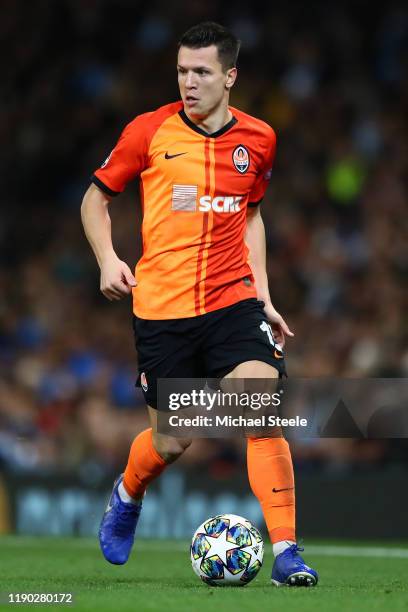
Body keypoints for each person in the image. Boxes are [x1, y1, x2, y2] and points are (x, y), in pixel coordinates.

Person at [81, 21, 318, 587]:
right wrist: (107, 259)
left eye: (202, 72)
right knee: (173, 439)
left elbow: (251, 216)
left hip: (231, 300)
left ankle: (286, 553)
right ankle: (128, 491)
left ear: (230, 76)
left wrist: (261, 293)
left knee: (261, 405)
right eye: (183, 71)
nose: (189, 82)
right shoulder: (148, 131)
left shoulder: (259, 139)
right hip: (161, 309)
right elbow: (96, 198)